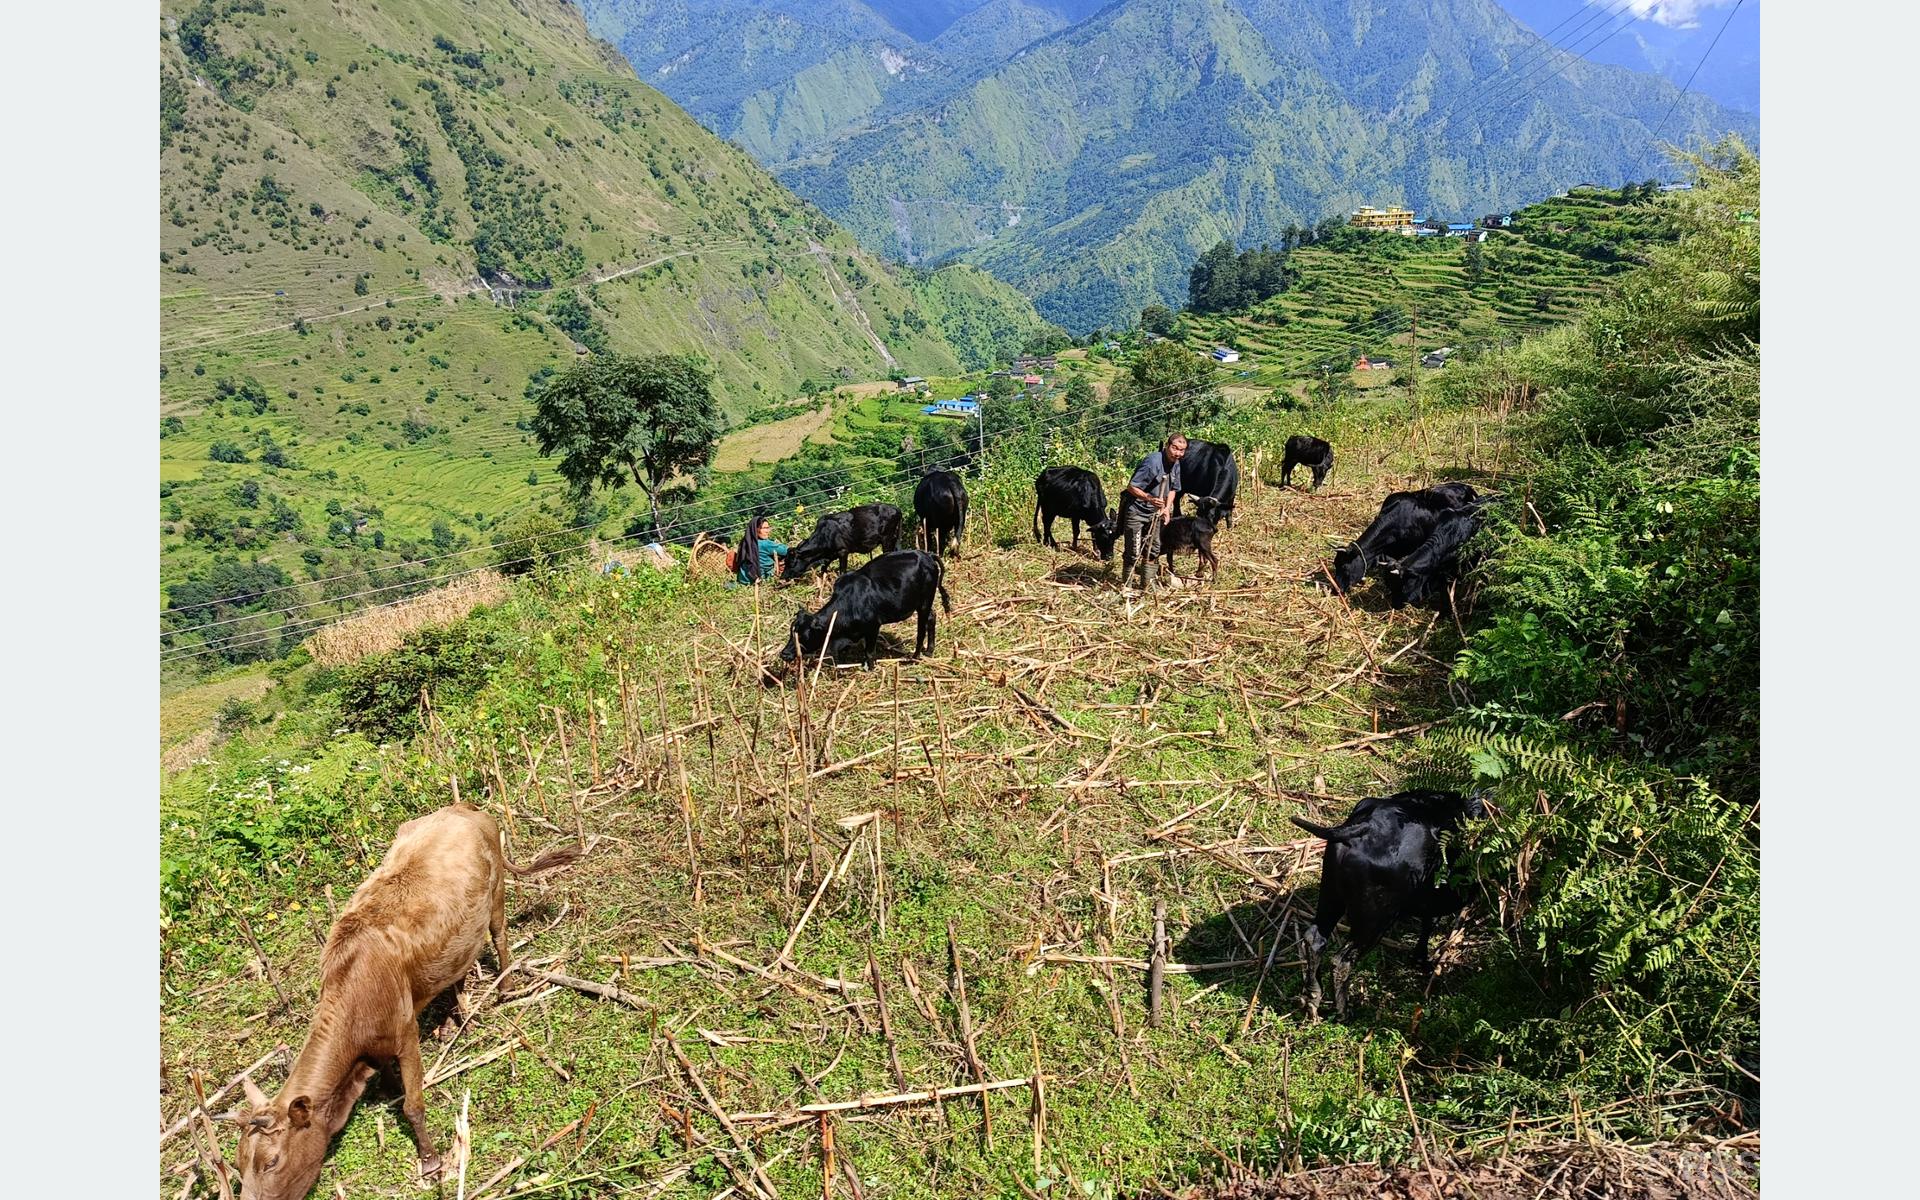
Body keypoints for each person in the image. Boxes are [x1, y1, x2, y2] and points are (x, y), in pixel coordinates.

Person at [1120, 433, 1188, 589]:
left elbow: (1172, 489)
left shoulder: (1176, 463)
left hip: (1155, 512)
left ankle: (1148, 584)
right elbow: (1132, 487)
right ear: (1167, 446)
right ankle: (1127, 586)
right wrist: (1149, 498)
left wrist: (1166, 508)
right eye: (1174, 448)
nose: (1177, 453)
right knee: (1133, 550)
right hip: (1137, 510)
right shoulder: (1152, 462)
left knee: (1153, 548)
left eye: (1181, 450)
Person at [734, 514, 787, 586]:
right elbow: (786, 551)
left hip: (743, 580)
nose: (767, 531)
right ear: (755, 529)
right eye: (764, 528)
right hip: (760, 580)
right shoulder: (766, 544)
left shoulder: (745, 542)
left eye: (768, 528)